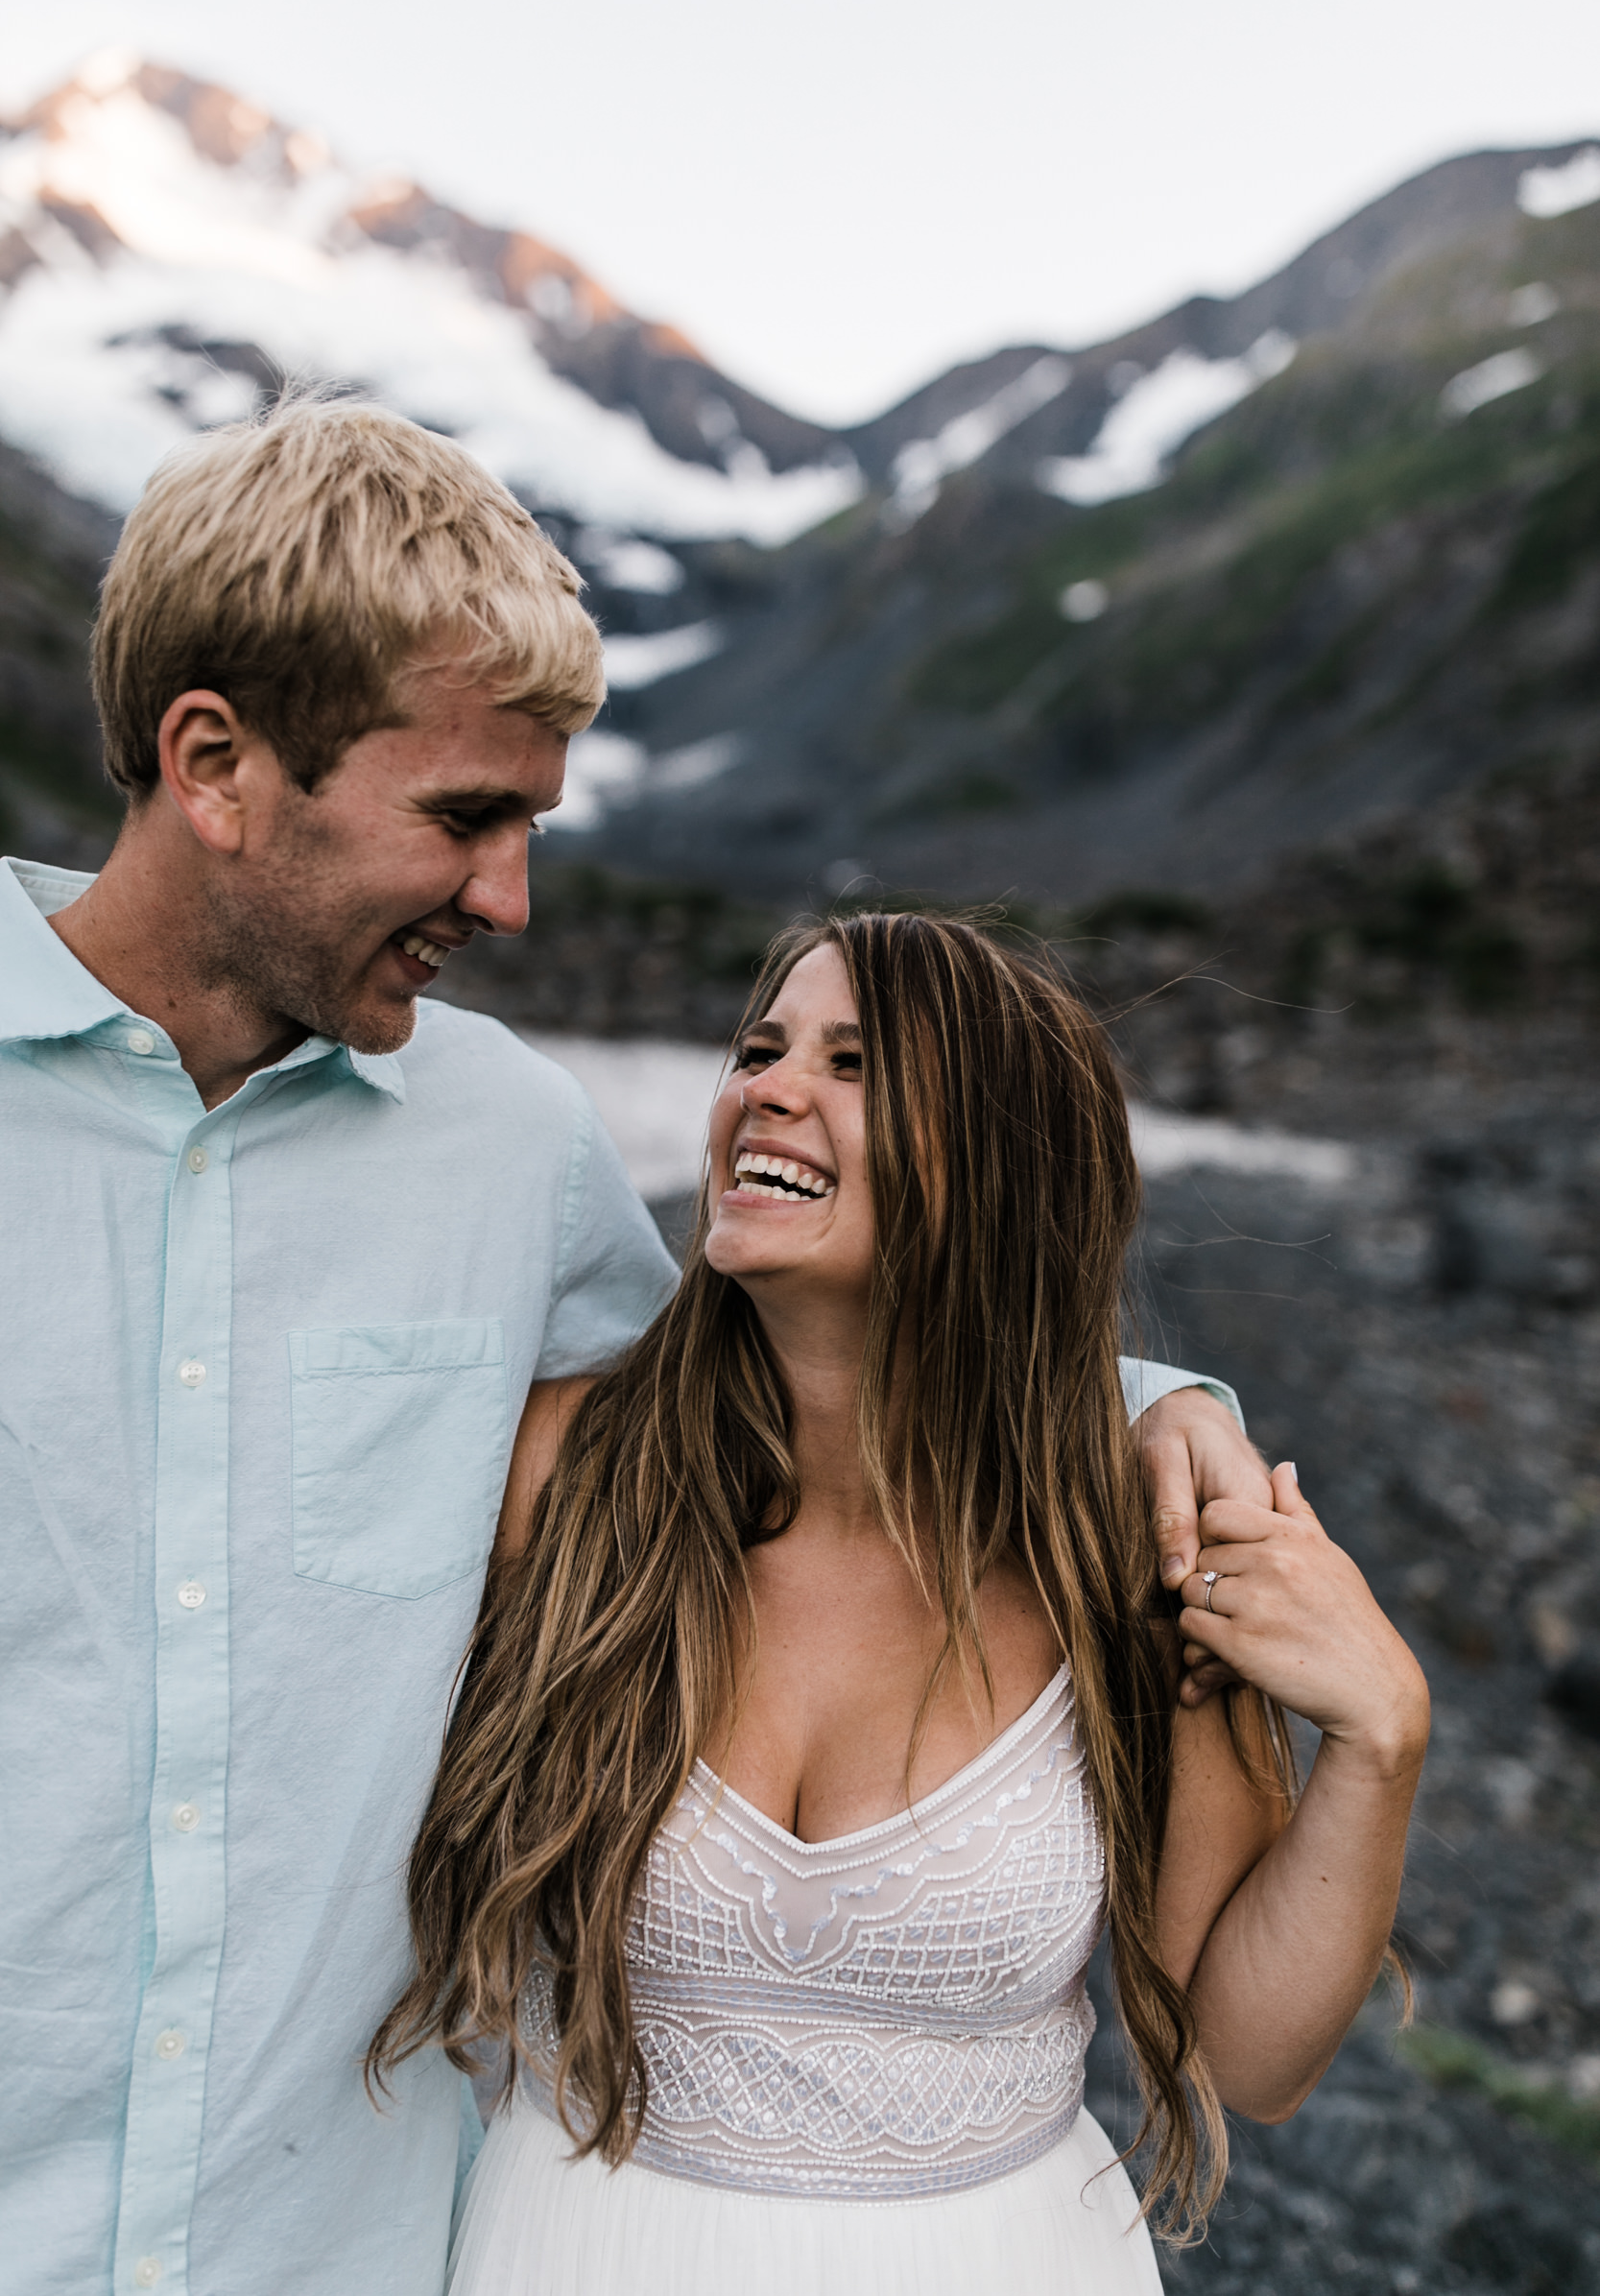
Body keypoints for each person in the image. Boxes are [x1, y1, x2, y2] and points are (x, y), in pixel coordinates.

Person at [0, 398, 1261, 2296]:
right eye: (464, 817)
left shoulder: (505, 1139)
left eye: (531, 824)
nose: (511, 899)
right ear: (213, 761)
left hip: (344, 2244)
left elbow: (779, 1386)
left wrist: (1156, 1410)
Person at [376, 914, 1430, 2296]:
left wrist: (1384, 1741)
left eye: (855, 1062)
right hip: (577, 2250)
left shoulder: (1129, 1543)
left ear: (994, 1163)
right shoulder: (570, 1478)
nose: (768, 1085)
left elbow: (1245, 2057)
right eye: (760, 1048)